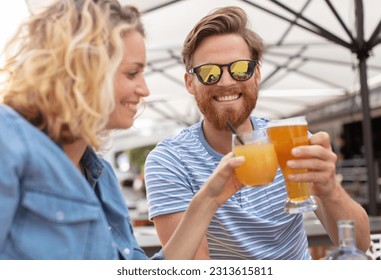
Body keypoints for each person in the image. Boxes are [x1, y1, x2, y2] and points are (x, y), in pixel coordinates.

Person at [0, 0, 246, 260]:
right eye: (132, 73)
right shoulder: (9, 142)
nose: (144, 90)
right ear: (82, 69)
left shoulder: (101, 175)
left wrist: (209, 198)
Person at [144, 6, 371, 259]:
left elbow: (359, 245)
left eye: (241, 68)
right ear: (190, 83)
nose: (227, 81)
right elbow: (195, 269)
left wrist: (329, 189)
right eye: (209, 73)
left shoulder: (289, 141)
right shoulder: (170, 161)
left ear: (257, 74)